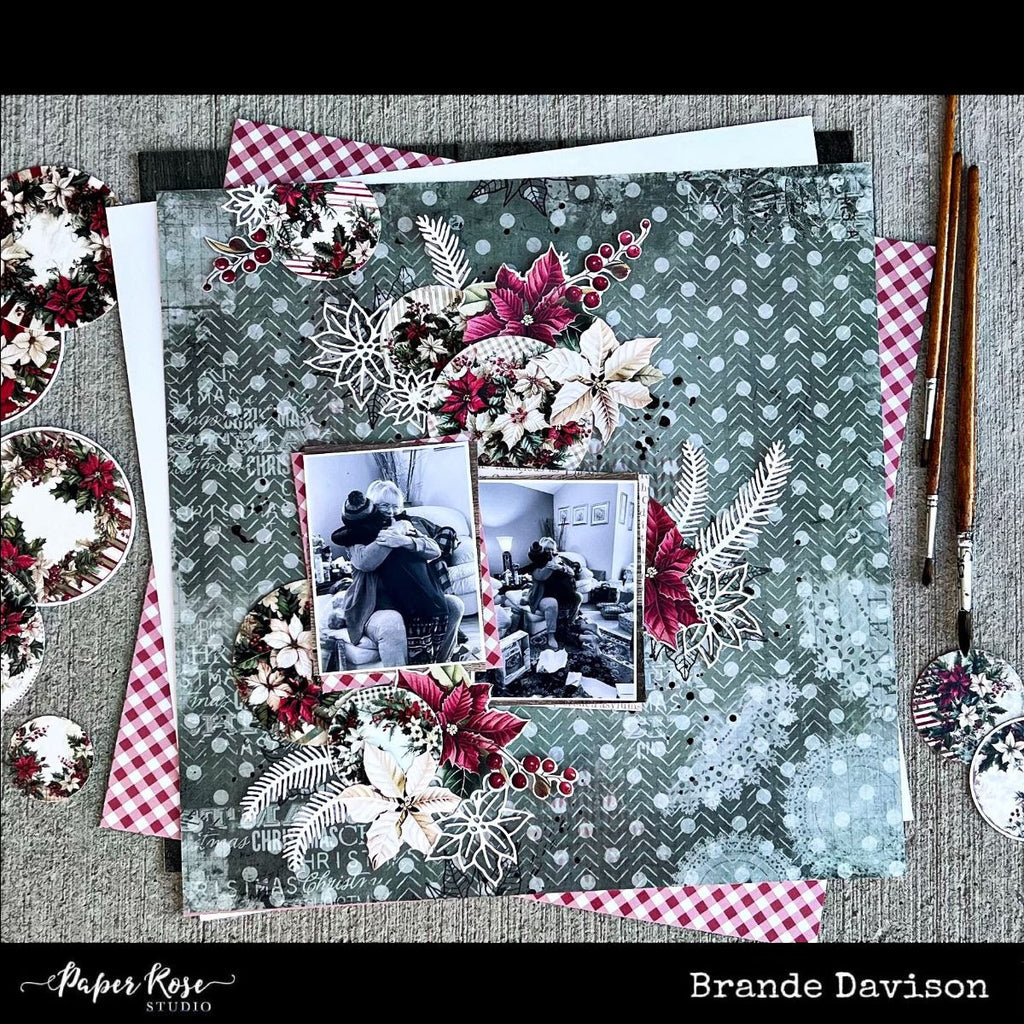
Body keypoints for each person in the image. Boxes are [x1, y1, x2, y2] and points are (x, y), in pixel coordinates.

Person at [332, 484, 464, 669]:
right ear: (371, 506)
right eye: (384, 505)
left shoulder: (405, 525)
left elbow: (435, 551)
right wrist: (393, 534)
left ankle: (440, 666)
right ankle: (402, 678)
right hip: (374, 606)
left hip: (411, 601)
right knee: (391, 621)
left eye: (395, 506)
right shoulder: (356, 533)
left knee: (454, 605)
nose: (391, 511)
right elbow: (365, 562)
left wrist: (406, 541)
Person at [525, 536, 582, 649]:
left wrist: (561, 567)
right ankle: (551, 636)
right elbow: (541, 576)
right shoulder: (538, 563)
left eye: (552, 549)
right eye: (547, 549)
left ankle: (569, 624)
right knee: (552, 603)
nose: (550, 552)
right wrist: (551, 566)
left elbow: (572, 571)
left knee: (578, 597)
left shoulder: (559, 559)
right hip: (542, 596)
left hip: (560, 595)